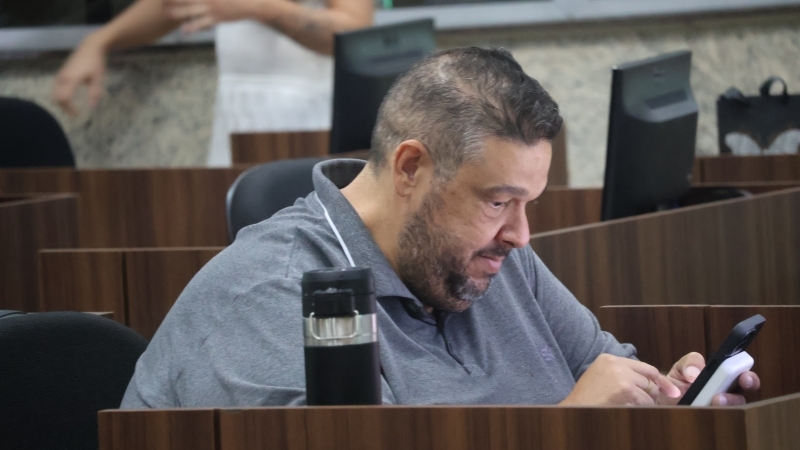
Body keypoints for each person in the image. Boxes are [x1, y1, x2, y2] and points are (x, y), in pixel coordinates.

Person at [121, 47, 760, 408]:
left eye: (528, 203)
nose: (521, 234)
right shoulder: (271, 296)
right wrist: (571, 428)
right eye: (499, 201)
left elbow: (607, 372)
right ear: (410, 169)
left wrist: (668, 399)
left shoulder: (491, 257)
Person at [52, 0, 373, 166]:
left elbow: (354, 30)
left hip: (307, 117)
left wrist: (255, 7)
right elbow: (173, 6)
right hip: (233, 118)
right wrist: (100, 41)